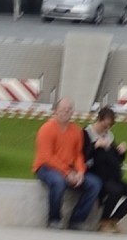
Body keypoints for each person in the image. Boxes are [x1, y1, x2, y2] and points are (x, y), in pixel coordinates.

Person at [33, 97, 90, 229]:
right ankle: (54, 219)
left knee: (94, 184)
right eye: (63, 109)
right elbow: (47, 156)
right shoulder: (46, 129)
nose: (66, 112)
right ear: (56, 111)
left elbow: (78, 154)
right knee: (59, 182)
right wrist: (67, 172)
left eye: (69, 109)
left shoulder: (77, 131)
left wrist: (80, 172)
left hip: (69, 169)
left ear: (72, 112)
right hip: (45, 167)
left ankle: (77, 220)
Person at [83, 105, 127, 232]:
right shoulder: (87, 133)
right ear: (99, 119)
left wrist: (122, 151)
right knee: (115, 191)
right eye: (104, 124)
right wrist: (95, 146)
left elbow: (116, 159)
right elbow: (83, 156)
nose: (106, 128)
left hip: (112, 174)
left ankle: (113, 220)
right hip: (97, 173)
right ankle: (103, 222)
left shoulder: (109, 136)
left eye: (109, 126)